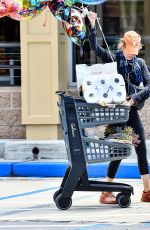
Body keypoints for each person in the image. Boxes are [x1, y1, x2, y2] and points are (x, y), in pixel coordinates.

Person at [88, 11, 150, 203]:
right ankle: (106, 191)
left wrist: (136, 97)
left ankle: (147, 191)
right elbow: (95, 48)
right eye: (136, 43)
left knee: (140, 148)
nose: (139, 46)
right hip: (116, 113)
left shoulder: (140, 63)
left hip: (131, 111)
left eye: (139, 43)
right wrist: (91, 25)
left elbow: (149, 86)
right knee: (119, 149)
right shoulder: (115, 60)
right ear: (127, 44)